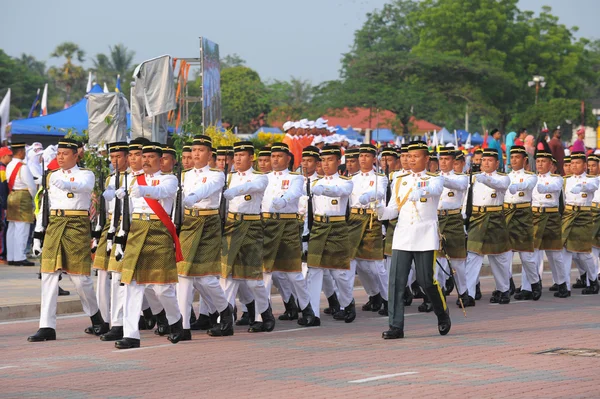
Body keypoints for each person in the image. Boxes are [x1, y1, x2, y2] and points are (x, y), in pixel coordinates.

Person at [28, 138, 108, 342]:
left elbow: (83, 187)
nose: (60, 157)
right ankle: (46, 326)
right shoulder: (51, 176)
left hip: (76, 224)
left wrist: (62, 182)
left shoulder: (86, 174)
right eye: (58, 154)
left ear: (76, 155)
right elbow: (43, 207)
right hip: (54, 223)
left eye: (65, 154)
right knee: (49, 275)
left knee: (80, 279)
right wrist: (38, 234)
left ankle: (96, 316)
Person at [113, 142, 184, 349]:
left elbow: (162, 191)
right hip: (137, 230)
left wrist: (141, 189)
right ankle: (131, 335)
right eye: (143, 157)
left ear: (160, 160)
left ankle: (175, 320)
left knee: (162, 288)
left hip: (159, 231)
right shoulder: (133, 179)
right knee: (133, 285)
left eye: (150, 157)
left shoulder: (169, 179)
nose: (145, 160)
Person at [378, 140, 450, 339]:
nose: (411, 160)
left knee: (427, 281)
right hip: (402, 235)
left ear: (426, 159)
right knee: (396, 282)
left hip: (425, 235)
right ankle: (396, 326)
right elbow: (394, 208)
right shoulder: (399, 179)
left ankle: (442, 314)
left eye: (416, 156)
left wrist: (421, 191)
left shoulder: (435, 178)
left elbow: (435, 190)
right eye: (408, 157)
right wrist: (380, 210)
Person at [177, 135, 234, 338]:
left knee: (206, 279)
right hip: (188, 223)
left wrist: (193, 197)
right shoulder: (183, 175)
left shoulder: (217, 175)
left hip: (208, 224)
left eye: (201, 150)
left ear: (209, 154)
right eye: (194, 150)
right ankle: (182, 326)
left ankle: (226, 311)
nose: (196, 154)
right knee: (183, 274)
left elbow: (207, 189)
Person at [221, 141, 275, 332]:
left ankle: (265, 313)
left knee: (253, 278)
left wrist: (235, 190)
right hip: (231, 226)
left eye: (242, 155)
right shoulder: (228, 178)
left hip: (251, 226)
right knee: (227, 276)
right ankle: (226, 320)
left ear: (251, 157)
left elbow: (253, 186)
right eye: (236, 155)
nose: (237, 159)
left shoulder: (260, 177)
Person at [262, 142, 315, 327]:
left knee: (294, 273)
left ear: (288, 158)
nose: (275, 159)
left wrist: (283, 201)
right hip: (266, 224)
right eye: (273, 156)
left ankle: (308, 310)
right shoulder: (264, 177)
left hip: (287, 224)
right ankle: (264, 314)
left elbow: (294, 193)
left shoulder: (295, 178)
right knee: (265, 272)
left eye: (279, 156)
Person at [307, 145, 356, 324]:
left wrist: (325, 190)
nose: (326, 164)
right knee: (314, 271)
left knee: (339, 273)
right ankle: (313, 313)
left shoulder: (345, 181)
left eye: (330, 160)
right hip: (319, 227)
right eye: (323, 160)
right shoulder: (314, 182)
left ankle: (347, 303)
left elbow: (341, 192)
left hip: (337, 227)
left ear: (338, 161)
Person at [464, 148, 512, 304]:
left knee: (499, 257)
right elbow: (467, 200)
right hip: (477, 218)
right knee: (473, 256)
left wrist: (483, 178)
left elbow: (498, 185)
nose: (485, 163)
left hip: (495, 217)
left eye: (489, 160)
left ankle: (503, 289)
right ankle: (469, 294)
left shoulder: (503, 178)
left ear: (497, 163)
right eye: (483, 160)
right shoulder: (472, 179)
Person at [92, 141, 129, 341]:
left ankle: (119, 322)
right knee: (102, 272)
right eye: (112, 157)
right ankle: (103, 319)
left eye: (118, 157)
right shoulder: (109, 178)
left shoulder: (131, 178)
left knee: (117, 276)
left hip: (125, 226)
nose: (114, 161)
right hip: (110, 225)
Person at [348, 144, 388, 314]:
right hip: (354, 219)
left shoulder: (380, 177)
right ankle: (374, 295)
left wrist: (369, 196)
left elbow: (379, 193)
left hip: (372, 219)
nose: (363, 159)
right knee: (360, 264)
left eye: (367, 156)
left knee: (377, 265)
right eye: (361, 156)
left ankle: (388, 299)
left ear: (374, 159)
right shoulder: (351, 179)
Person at [503, 146, 541, 301]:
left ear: (525, 160)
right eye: (512, 157)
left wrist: (517, 186)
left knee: (526, 256)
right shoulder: (504, 176)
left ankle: (534, 283)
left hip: (523, 214)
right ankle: (507, 284)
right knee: (504, 255)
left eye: (517, 157)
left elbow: (528, 185)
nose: (513, 160)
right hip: (506, 214)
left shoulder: (531, 176)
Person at [530, 149, 567, 297]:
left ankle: (562, 283)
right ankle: (533, 284)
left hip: (551, 216)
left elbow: (554, 188)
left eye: (543, 161)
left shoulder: (556, 178)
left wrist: (544, 187)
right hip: (535, 216)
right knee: (533, 253)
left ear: (550, 164)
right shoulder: (531, 178)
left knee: (554, 254)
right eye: (538, 161)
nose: (540, 164)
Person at [562, 151, 600, 295]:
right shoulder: (565, 180)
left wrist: (581, 187)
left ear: (585, 165)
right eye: (572, 163)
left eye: (577, 163)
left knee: (584, 253)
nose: (574, 166)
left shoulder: (592, 179)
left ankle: (593, 280)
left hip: (584, 215)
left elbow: (591, 187)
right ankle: (564, 286)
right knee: (564, 251)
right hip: (568, 215)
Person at [436, 147, 469, 305]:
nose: (443, 162)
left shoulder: (460, 177)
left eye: (447, 159)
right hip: (435, 219)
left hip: (453, 219)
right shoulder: (434, 177)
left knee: (457, 260)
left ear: (453, 161)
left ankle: (463, 292)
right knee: (436, 259)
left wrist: (440, 179)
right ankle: (438, 291)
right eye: (441, 159)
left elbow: (459, 186)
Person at [6, 142, 36, 266]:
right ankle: (20, 256)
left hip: (12, 195)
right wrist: (33, 199)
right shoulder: (22, 167)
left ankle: (12, 256)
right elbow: (31, 186)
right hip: (23, 197)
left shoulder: (9, 165)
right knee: (22, 228)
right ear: (20, 152)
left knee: (12, 227)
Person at [0, 147, 13, 263]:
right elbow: (3, 188)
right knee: (2, 228)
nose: (11, 157)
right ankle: (1, 255)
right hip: (1, 202)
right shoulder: (2, 169)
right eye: (9, 155)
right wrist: (5, 204)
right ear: (4, 156)